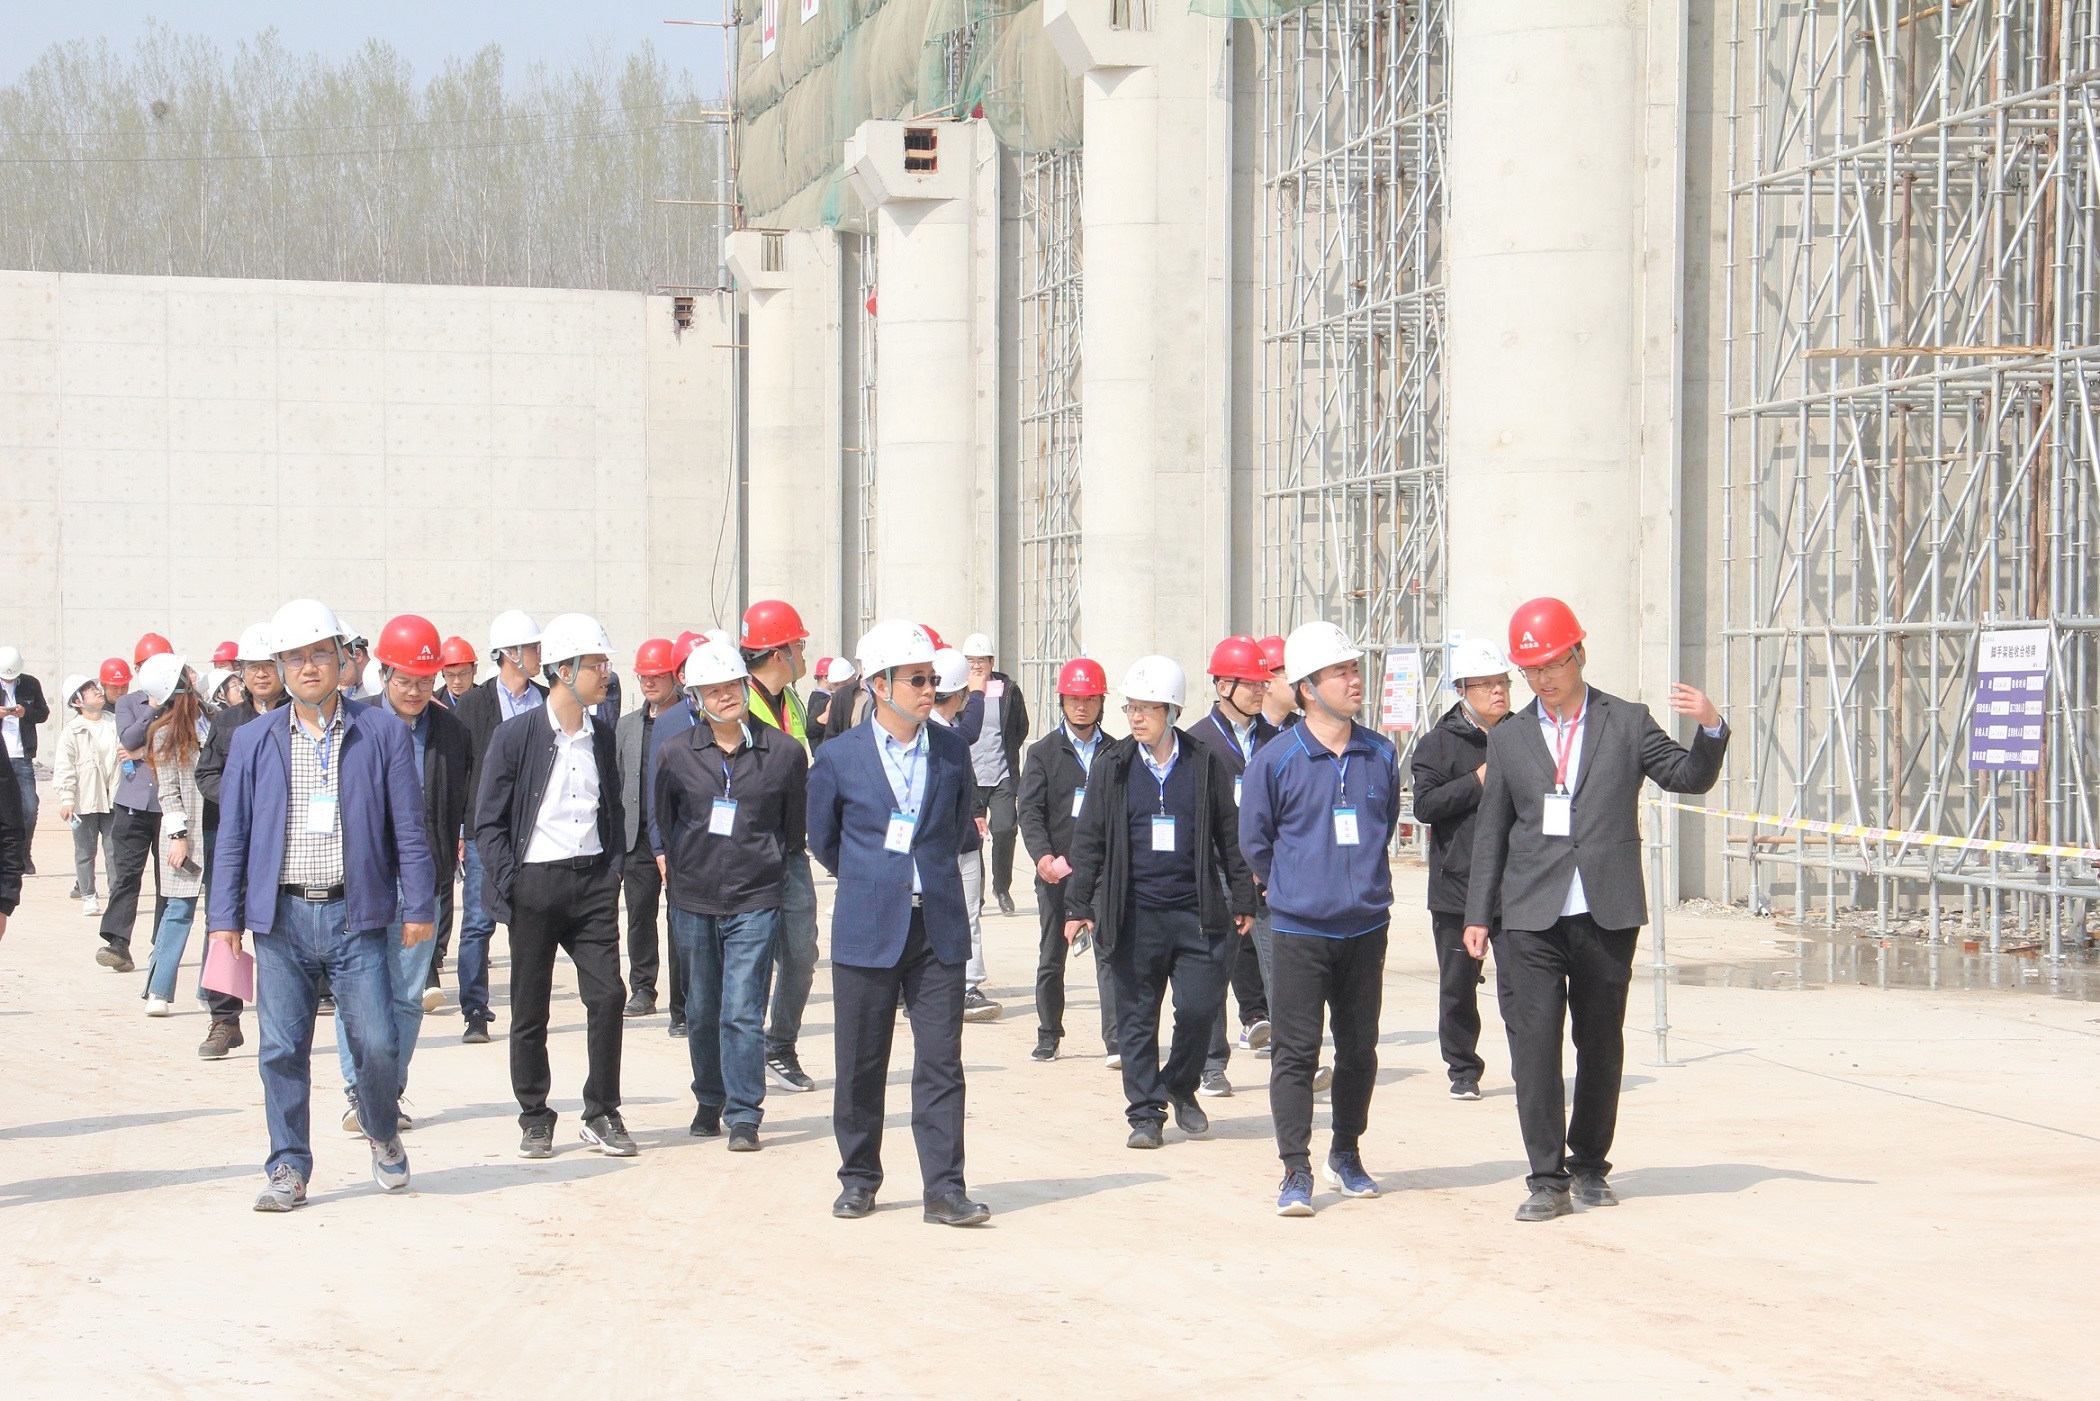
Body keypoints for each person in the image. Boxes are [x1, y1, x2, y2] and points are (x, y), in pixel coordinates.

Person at [1464, 597, 1729, 1222]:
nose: (1543, 678)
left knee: (1600, 1044)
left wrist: (1711, 728)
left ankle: (1588, 1164)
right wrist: (1478, 915)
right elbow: (1492, 832)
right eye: (1532, 669)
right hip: (1530, 915)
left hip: (1605, 911)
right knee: (1535, 1049)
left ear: (1580, 654)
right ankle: (1545, 1178)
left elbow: (1688, 777)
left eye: (1554, 664)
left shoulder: (1627, 722)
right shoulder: (1510, 738)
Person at [208, 598, 433, 1211]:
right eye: (294, 658)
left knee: (378, 1042)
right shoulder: (253, 740)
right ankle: (288, 1165)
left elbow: (409, 829)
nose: (308, 667)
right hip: (280, 921)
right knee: (282, 1050)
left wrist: (419, 905)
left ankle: (381, 1129)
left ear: (342, 659)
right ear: (280, 667)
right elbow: (233, 836)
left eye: (318, 654)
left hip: (355, 917)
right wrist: (224, 919)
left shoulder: (382, 732)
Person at [806, 619, 988, 1226]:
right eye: (916, 679)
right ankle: (859, 1178)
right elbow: (824, 840)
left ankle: (945, 1189)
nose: (929, 689)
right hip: (868, 926)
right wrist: (874, 878)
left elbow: (956, 829)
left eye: (932, 679)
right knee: (862, 1061)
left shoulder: (952, 750)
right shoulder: (838, 757)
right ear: (879, 685)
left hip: (937, 928)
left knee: (941, 1063)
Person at [1240, 621, 1401, 1217]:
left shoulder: (1380, 753)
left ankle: (1347, 1154)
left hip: (1366, 926)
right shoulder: (1276, 760)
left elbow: (1384, 824)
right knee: (1296, 1052)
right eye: (1340, 672)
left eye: (1355, 669)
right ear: (1307, 688)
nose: (1355, 680)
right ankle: (1295, 1168)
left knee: (1360, 1049)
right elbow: (1255, 842)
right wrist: (1296, 885)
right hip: (1300, 929)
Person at [1064, 656, 1255, 1151]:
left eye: (1147, 708)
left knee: (1199, 1008)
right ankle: (1145, 1113)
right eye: (1131, 708)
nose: (1136, 717)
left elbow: (1229, 833)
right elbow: (1089, 840)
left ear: (1172, 711)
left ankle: (1180, 1085)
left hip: (1195, 912)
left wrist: (1244, 896)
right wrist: (1079, 906)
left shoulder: (1204, 762)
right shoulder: (1113, 765)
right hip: (1133, 914)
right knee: (1136, 1017)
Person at [473, 612, 635, 1159]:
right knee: (530, 1008)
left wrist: (612, 870)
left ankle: (602, 1111)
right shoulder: (516, 735)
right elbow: (488, 821)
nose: (606, 674)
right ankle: (535, 1115)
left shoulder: (601, 734)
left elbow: (612, 807)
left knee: (608, 996)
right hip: (534, 887)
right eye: (597, 664)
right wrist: (513, 882)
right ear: (565, 671)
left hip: (592, 885)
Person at [655, 637, 807, 1150]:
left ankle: (745, 1113)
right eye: (713, 690)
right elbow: (666, 821)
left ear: (745, 686)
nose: (726, 696)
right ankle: (709, 1099)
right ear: (696, 698)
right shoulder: (676, 753)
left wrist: (764, 861)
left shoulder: (783, 753)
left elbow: (792, 829)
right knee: (702, 1007)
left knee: (742, 1008)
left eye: (732, 686)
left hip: (756, 896)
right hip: (693, 898)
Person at [336, 615, 471, 1134]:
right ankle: (359, 1092)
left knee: (407, 995)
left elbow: (457, 805)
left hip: (422, 881)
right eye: (406, 680)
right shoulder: (355, 724)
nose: (416, 691)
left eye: (425, 681)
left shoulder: (452, 733)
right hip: (362, 879)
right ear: (384, 674)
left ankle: (387, 1093)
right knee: (358, 992)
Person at [1408, 638, 1514, 1101]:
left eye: (1502, 682)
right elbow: (1426, 806)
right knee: (1458, 986)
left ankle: (1531, 1069)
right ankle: (1463, 1070)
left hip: (1516, 884)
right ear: (1461, 690)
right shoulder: (1438, 743)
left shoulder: (1525, 734)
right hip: (1458, 884)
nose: (1498, 691)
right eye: (1485, 684)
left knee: (1522, 988)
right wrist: (1477, 780)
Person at [1187, 635, 1281, 1098]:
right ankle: (1211, 1065)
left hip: (1269, 872)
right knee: (1213, 970)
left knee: (1283, 970)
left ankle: (1293, 1060)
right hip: (1219, 873)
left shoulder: (1277, 740)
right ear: (1224, 686)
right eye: (1252, 684)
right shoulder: (1197, 743)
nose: (1261, 691)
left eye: (1264, 683)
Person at [1016, 657, 1122, 1065]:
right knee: (1052, 956)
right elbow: (1030, 811)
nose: (1082, 706)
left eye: (1090, 699)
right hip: (1058, 872)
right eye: (1074, 699)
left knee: (1108, 954)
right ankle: (1048, 1035)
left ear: (1101, 703)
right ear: (1061, 701)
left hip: (1103, 873)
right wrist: (1042, 856)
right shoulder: (1043, 753)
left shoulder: (1116, 752)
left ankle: (1116, 1040)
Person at [739, 599, 823, 1095]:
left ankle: (779, 1046)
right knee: (749, 960)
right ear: (778, 652)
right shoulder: (736, 702)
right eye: (799, 644)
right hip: (749, 853)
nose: (803, 652)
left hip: (791, 850)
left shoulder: (790, 698)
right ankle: (742, 1055)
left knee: (800, 953)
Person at [452, 609, 547, 1044]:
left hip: (536, 831)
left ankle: (527, 1010)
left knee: (528, 923)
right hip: (486, 830)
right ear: (511, 653)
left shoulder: (546, 699)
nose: (539, 655)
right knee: (477, 922)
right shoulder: (474, 704)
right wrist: (461, 830)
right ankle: (474, 1009)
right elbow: (461, 769)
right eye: (532, 648)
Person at [192, 622, 283, 1060]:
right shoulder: (227, 721)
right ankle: (224, 1020)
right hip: (233, 840)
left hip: (286, 845)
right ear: (240, 673)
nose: (260, 674)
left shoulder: (301, 717)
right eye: (252, 667)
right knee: (223, 925)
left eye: (268, 665)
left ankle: (289, 1015)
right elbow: (206, 774)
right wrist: (244, 799)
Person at [96, 633, 177, 972]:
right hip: (132, 804)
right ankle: (118, 942)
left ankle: (163, 943)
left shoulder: (183, 702)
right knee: (127, 875)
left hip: (170, 805)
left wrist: (143, 753)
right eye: (147, 666)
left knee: (168, 879)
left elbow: (181, 745)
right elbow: (127, 738)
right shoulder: (129, 703)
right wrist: (154, 708)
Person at [930, 649, 1001, 1023]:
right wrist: (978, 693)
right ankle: (964, 985)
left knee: (952, 913)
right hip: (945, 844)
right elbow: (970, 732)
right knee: (964, 913)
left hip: (952, 839)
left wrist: (975, 811)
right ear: (957, 695)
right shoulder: (938, 731)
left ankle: (954, 985)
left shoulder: (926, 726)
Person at [138, 653, 209, 1017]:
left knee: (219, 916)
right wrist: (178, 835)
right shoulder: (165, 733)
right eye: (188, 673)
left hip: (223, 830)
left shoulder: (213, 719)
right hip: (189, 832)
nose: (195, 676)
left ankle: (211, 990)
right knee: (179, 910)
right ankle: (159, 991)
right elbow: (168, 791)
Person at [616, 638, 682, 1020]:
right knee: (639, 916)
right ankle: (642, 988)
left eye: (657, 676)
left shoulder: (689, 722)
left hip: (679, 836)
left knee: (680, 918)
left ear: (675, 676)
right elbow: (617, 780)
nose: (649, 683)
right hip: (637, 838)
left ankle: (683, 996)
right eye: (643, 677)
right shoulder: (627, 727)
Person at [958, 633, 1029, 919]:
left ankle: (1002, 888)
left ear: (992, 662)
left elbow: (1021, 727)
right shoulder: (959, 691)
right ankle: (976, 893)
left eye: (981, 661)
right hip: (971, 776)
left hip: (1001, 774)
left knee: (1004, 829)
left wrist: (1008, 752)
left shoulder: (1008, 689)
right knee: (973, 836)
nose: (976, 666)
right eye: (971, 661)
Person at [53, 674, 120, 920]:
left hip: (113, 799)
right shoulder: (72, 731)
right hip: (85, 800)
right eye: (90, 690)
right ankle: (89, 895)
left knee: (114, 851)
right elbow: (64, 767)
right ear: (78, 701)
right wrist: (67, 799)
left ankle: (116, 896)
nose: (98, 691)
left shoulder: (115, 722)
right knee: (85, 851)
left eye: (96, 688)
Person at [0, 646, 51, 872]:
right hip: (2, 755)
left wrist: (25, 713)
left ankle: (23, 853)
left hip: (22, 756)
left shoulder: (31, 684)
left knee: (29, 807)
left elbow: (43, 713)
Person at [1256, 635, 1298, 733]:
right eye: (1291, 675)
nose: (1301, 684)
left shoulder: (1303, 730)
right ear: (1266, 683)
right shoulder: (1245, 732)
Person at [437, 636, 478, 707]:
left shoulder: (488, 700)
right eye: (450, 675)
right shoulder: (434, 704)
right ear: (442, 673)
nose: (457, 681)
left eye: (463, 674)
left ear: (474, 669)